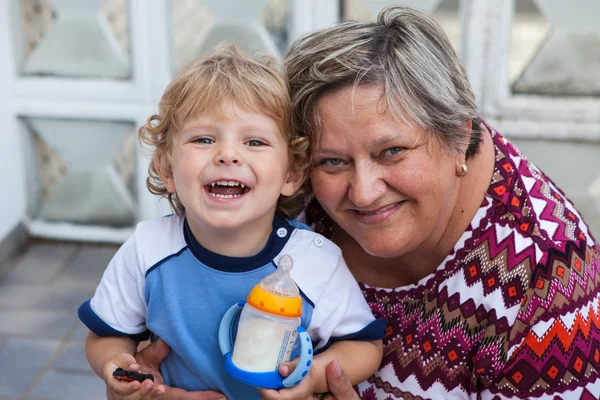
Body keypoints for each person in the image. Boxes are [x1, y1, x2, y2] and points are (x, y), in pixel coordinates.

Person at [131, 5, 600, 400]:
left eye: (391, 152)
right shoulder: (298, 190)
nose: (364, 191)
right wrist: (138, 374)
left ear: (458, 135)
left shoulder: (549, 282)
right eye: (333, 161)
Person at [77, 42, 385, 400]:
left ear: (292, 174)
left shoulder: (316, 261)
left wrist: (312, 376)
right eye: (203, 139)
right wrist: (117, 363)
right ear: (167, 168)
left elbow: (364, 346)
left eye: (254, 141)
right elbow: (106, 334)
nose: (227, 155)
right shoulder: (148, 250)